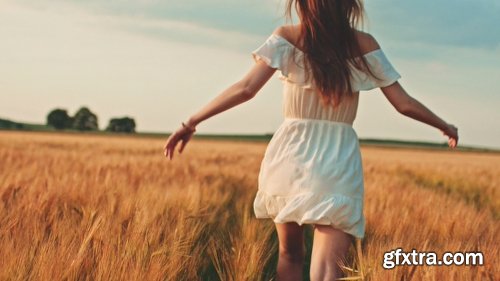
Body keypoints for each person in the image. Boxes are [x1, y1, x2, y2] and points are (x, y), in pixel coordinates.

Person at [164, 0, 459, 280]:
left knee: (290, 255)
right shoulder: (364, 44)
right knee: (329, 271)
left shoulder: (287, 37)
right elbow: (404, 103)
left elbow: (245, 88)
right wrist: (444, 126)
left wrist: (191, 122)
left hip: (290, 155)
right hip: (337, 160)